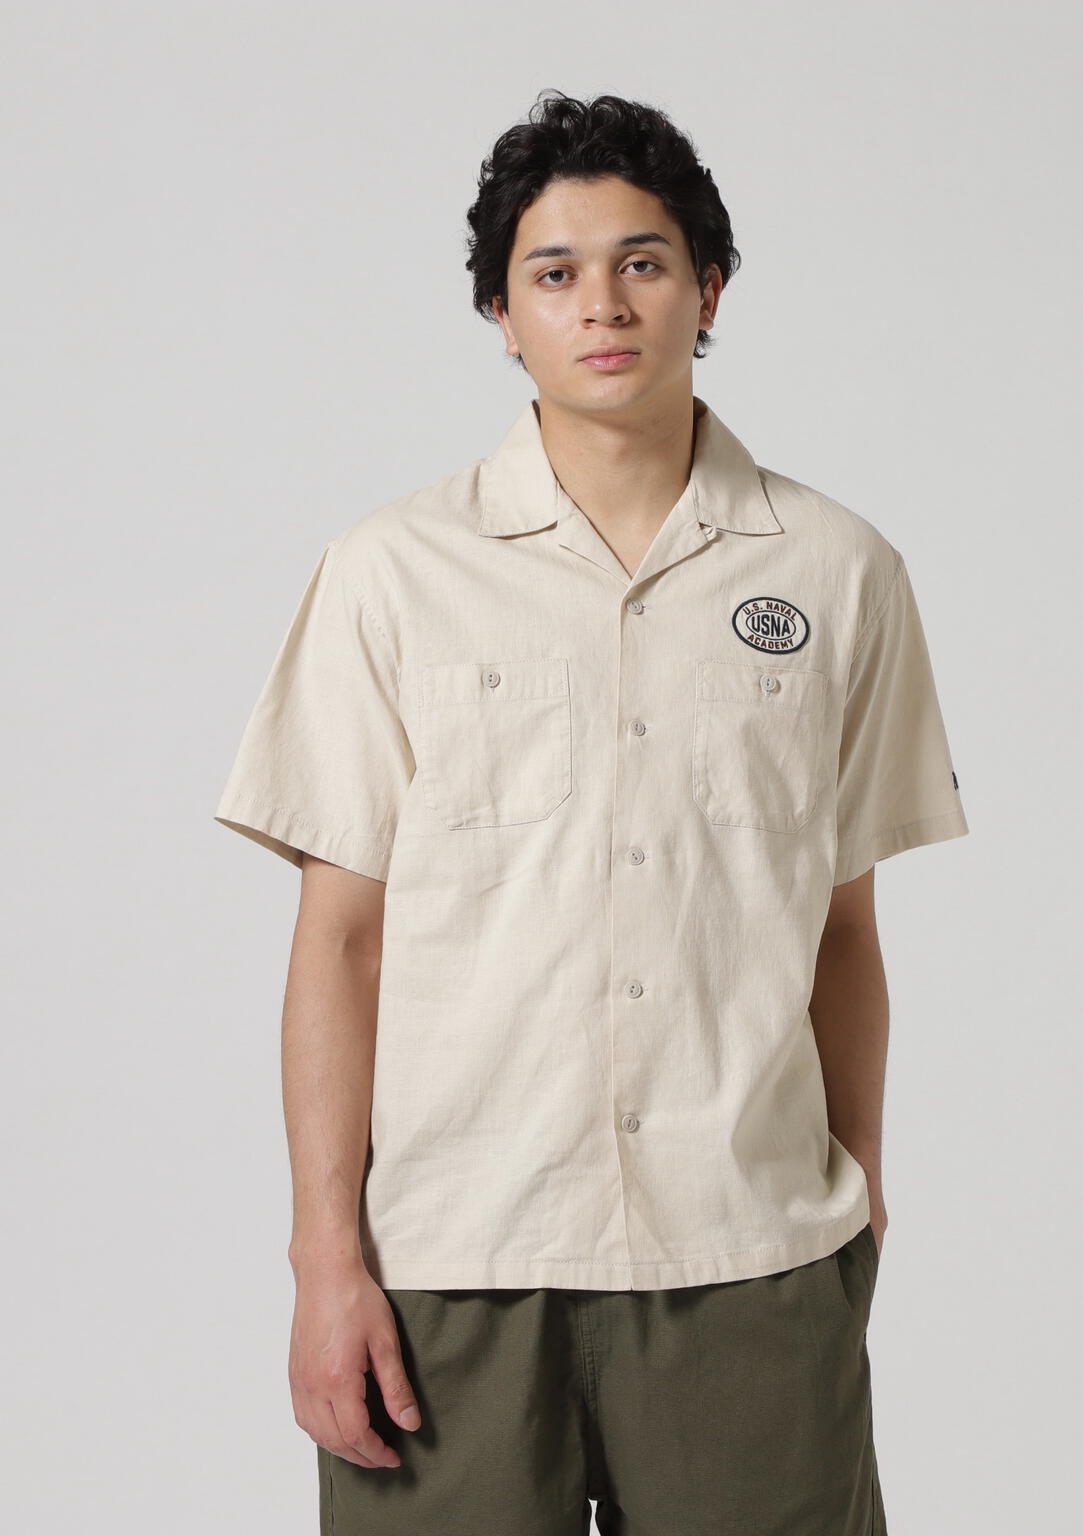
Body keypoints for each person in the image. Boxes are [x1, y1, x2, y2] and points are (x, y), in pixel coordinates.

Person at [213, 88, 970, 1536]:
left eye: (644, 261)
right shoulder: (391, 574)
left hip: (748, 1253)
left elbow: (843, 928)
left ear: (710, 288)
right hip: (452, 1262)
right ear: (502, 313)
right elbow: (342, 943)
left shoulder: (838, 573)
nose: (604, 305)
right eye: (554, 272)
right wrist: (324, 1261)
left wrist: (857, 1195)